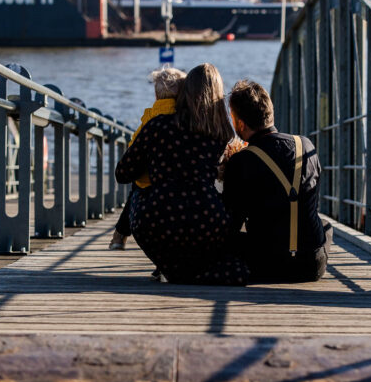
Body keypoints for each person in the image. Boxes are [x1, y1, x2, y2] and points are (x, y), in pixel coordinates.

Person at [114, 63, 248, 285]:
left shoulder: (157, 125)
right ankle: (193, 270)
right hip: (206, 221)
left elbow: (122, 174)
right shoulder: (221, 133)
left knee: (139, 189)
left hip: (155, 222)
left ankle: (171, 267)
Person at [223, 79, 328, 283]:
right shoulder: (306, 145)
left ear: (240, 124)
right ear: (270, 113)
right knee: (325, 226)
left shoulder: (241, 161)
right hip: (312, 265)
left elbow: (232, 223)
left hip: (265, 264)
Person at [110, 67, 187, 251]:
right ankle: (119, 235)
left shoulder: (149, 118)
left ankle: (119, 236)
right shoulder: (185, 119)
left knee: (137, 186)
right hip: (178, 183)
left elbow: (133, 149)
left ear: (156, 94)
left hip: (148, 184)